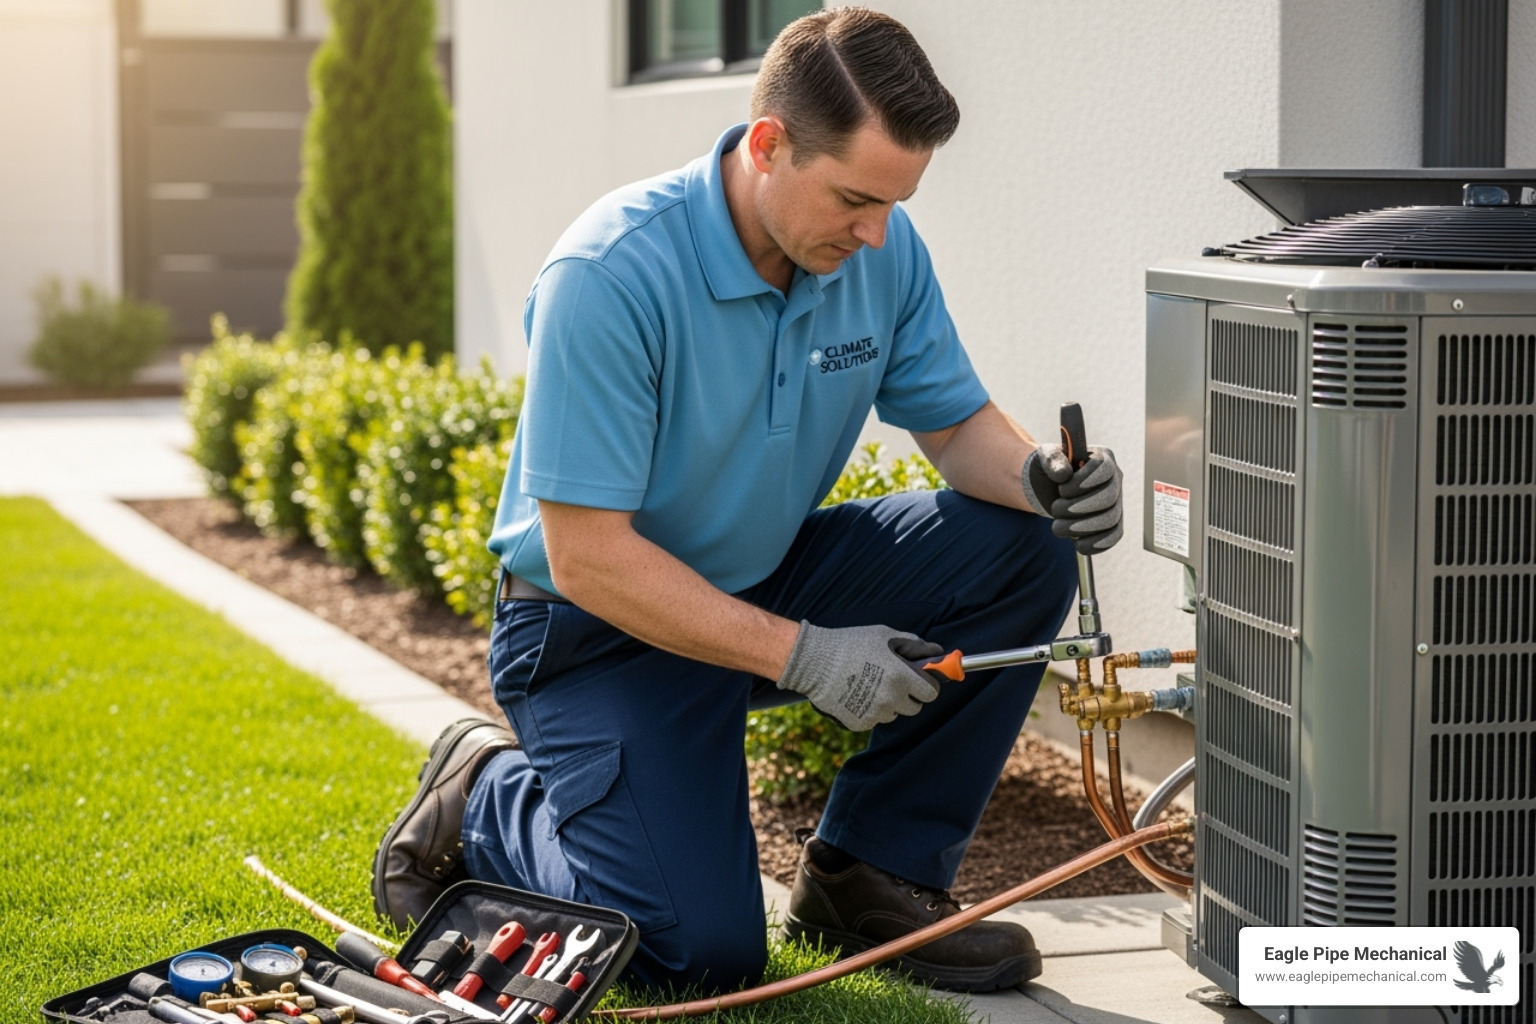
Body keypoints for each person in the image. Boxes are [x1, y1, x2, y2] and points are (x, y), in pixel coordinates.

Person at [372, 5, 1123, 996]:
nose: (877, 232)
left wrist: (1041, 479)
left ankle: (871, 872)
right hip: (593, 630)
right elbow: (588, 553)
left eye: (893, 204)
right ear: (768, 144)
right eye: (855, 199)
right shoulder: (609, 274)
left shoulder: (876, 251)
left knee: (1022, 547)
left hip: (763, 578)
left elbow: (952, 424)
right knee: (696, 954)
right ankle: (483, 794)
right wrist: (805, 654)